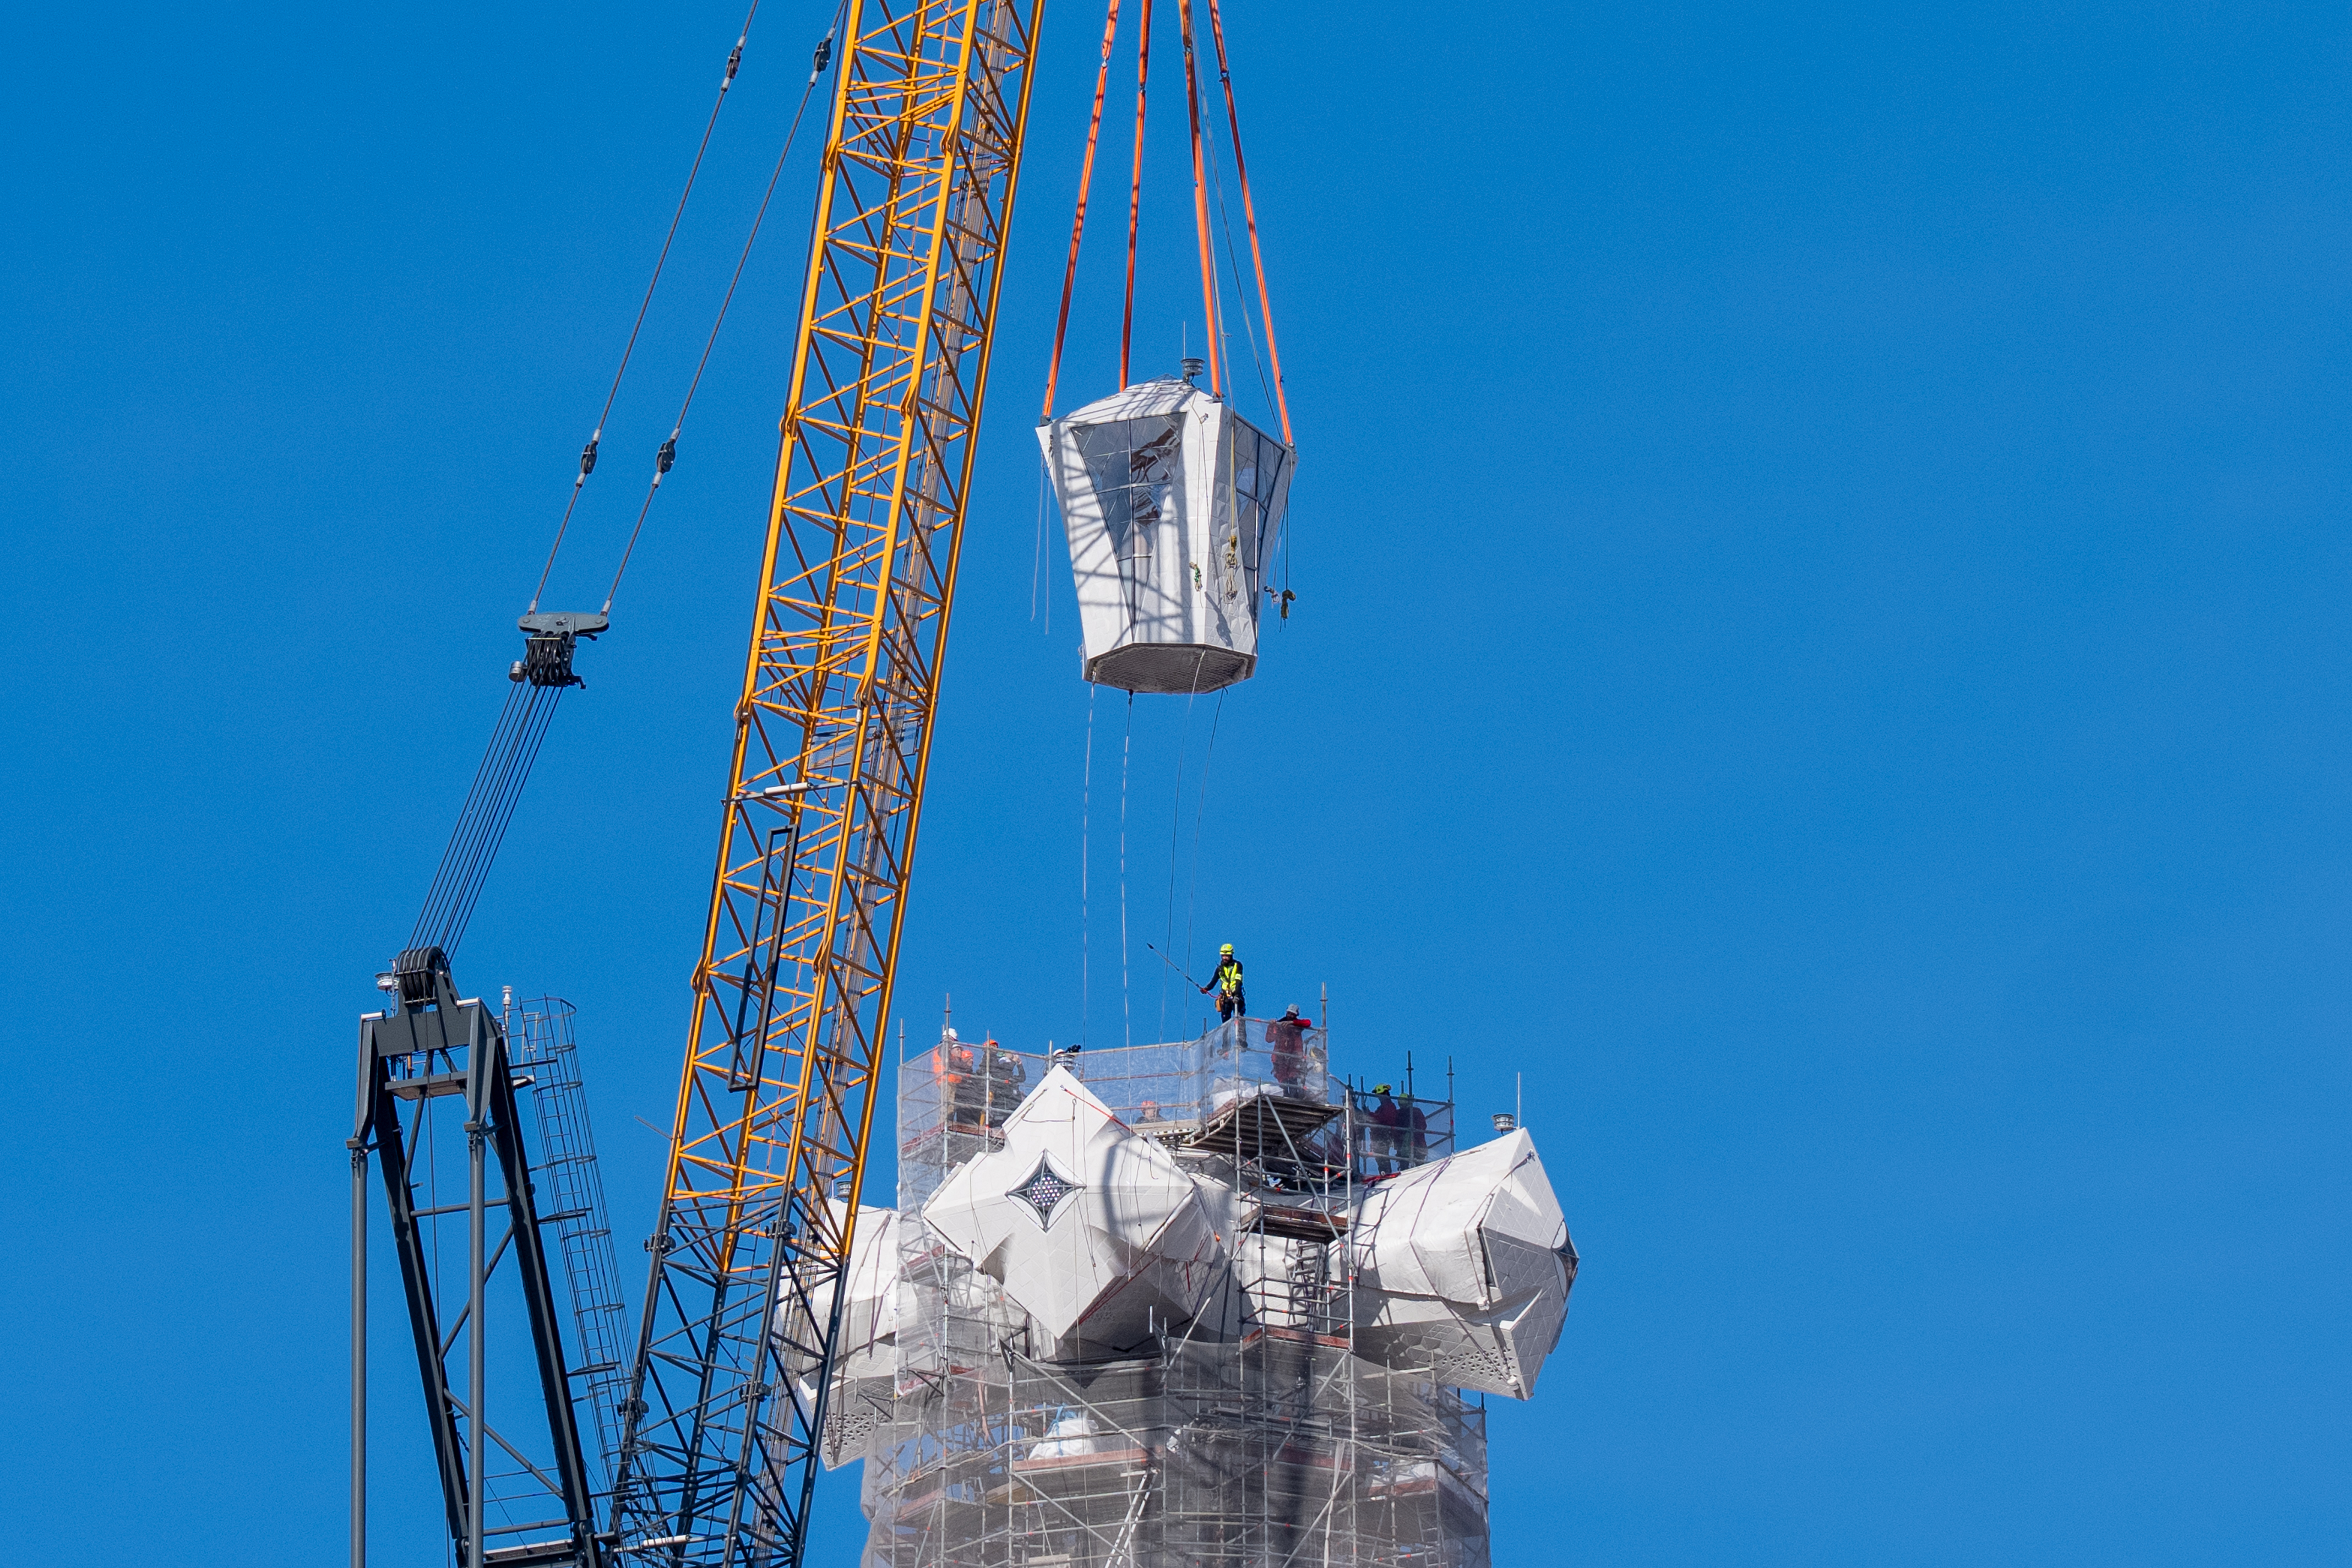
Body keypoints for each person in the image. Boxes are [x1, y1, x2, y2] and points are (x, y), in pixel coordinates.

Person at [1266, 1004, 1316, 1095]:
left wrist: (1292, 1023)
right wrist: (1271, 1026)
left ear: (1296, 1015)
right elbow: (1269, 1039)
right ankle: (1285, 1095)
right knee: (1283, 1079)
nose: (1290, 1016)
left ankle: (1294, 1097)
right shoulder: (1280, 1024)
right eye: (1289, 1013)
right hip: (1280, 1057)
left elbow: (1308, 1023)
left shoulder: (1297, 1024)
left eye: (1292, 1014)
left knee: (1293, 1078)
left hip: (1294, 1057)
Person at [1199, 944, 1246, 1022]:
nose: (1225, 958)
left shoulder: (1238, 966)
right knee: (1225, 1021)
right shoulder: (1220, 969)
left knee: (1239, 1019)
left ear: (1231, 955)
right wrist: (1206, 989)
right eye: (1223, 956)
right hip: (1226, 998)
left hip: (1236, 995)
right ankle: (1226, 1035)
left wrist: (1237, 996)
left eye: (1227, 956)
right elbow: (1213, 982)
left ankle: (1241, 1034)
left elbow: (1239, 981)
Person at [1366, 1083, 1402, 1177]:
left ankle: (1386, 1172)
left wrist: (1370, 1115)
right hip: (1380, 1135)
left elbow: (1382, 1119)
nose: (1379, 1098)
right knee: (1379, 1155)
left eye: (1380, 1096)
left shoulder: (1389, 1107)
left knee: (1382, 1154)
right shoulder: (1383, 1107)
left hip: (1384, 1134)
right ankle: (1383, 1172)